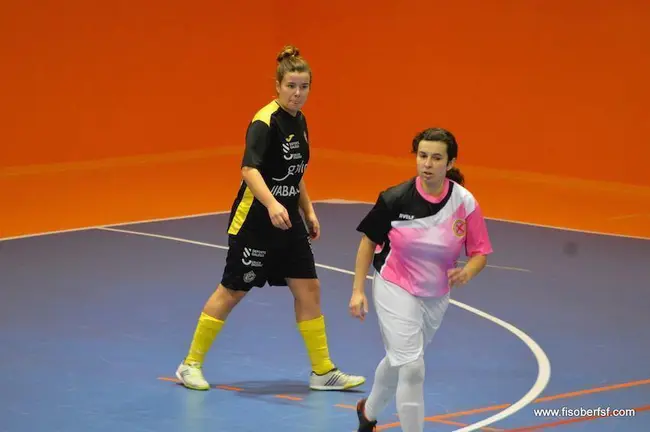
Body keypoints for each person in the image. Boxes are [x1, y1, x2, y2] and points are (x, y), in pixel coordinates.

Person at [175, 45, 365, 392]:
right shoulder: (265, 122)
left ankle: (323, 371)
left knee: (309, 288)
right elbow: (249, 169)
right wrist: (273, 204)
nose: (297, 93)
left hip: (288, 223)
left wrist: (307, 209)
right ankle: (190, 365)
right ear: (277, 86)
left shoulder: (299, 120)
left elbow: (295, 172)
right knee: (233, 290)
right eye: (291, 86)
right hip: (256, 223)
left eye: (304, 87)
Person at [348, 127, 493, 431]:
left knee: (399, 360)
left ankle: (368, 413)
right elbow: (367, 243)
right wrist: (357, 290)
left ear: (450, 163)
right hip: (394, 284)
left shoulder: (464, 203)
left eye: (436, 158)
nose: (427, 164)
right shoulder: (395, 198)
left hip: (436, 294)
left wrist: (468, 271)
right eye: (422, 156)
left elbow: (480, 252)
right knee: (413, 367)